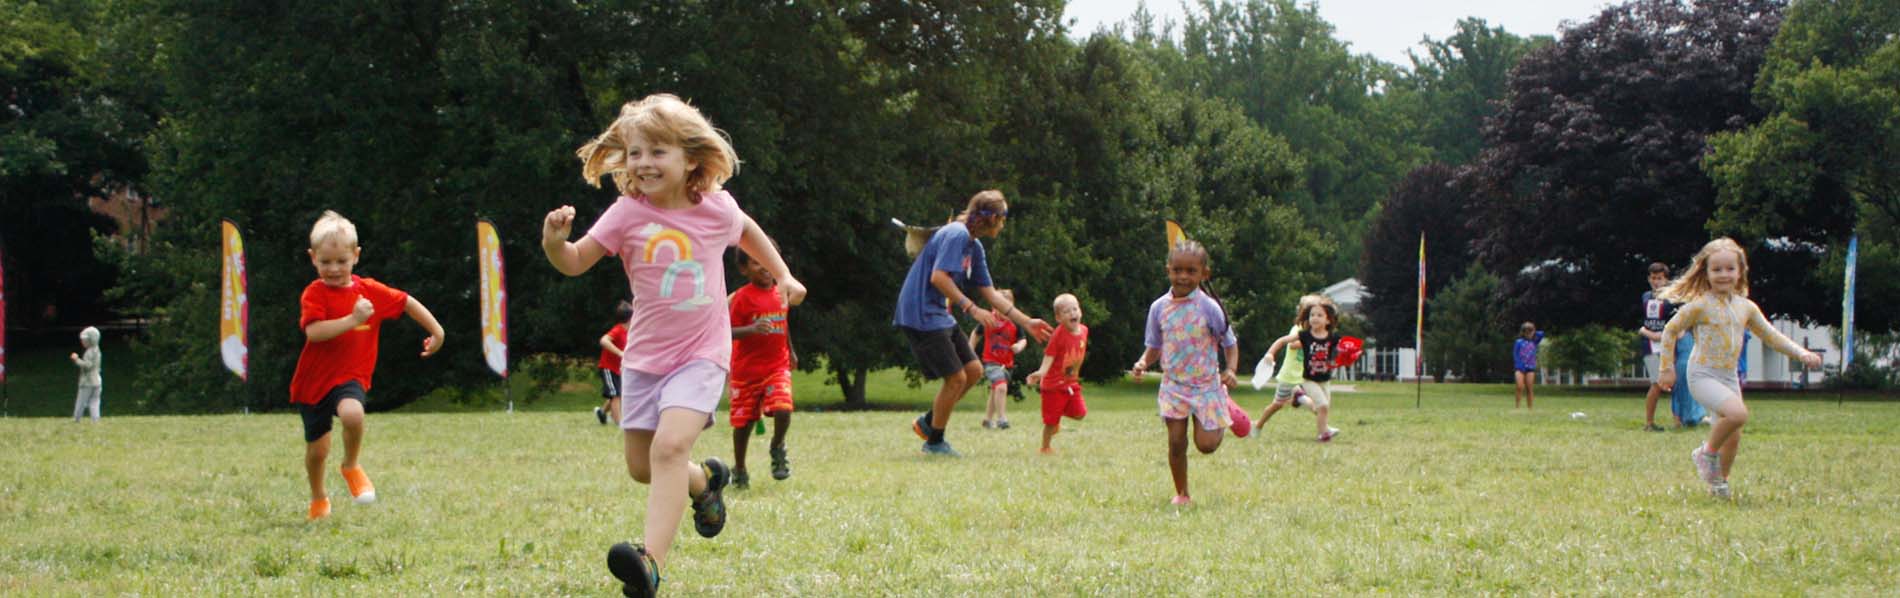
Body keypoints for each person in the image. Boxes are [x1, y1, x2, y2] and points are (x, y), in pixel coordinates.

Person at [543, 93, 805, 597]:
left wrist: (784, 274)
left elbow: (747, 231)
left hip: (702, 354)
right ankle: (705, 483)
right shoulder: (625, 214)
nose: (643, 162)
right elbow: (574, 261)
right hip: (644, 360)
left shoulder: (714, 208)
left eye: (657, 152)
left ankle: (650, 564)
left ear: (690, 158)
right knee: (644, 468)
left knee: (668, 447)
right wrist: (555, 242)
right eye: (636, 152)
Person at [289, 210, 446, 521]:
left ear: (356, 256)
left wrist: (437, 331)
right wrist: (353, 320)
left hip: (351, 376)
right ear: (313, 258)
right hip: (313, 382)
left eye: (341, 261)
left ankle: (350, 465)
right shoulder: (314, 294)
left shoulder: (369, 291)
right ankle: (319, 496)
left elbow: (406, 302)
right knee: (317, 451)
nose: (333, 269)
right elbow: (314, 332)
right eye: (325, 262)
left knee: (352, 413)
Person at [1658, 238, 1822, 500]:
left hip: (1728, 376)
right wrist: (1666, 368)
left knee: (1734, 436)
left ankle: (1719, 484)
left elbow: (1771, 336)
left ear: (1740, 271)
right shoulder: (1700, 306)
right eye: (1717, 270)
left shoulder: (1746, 307)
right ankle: (1706, 453)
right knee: (1737, 414)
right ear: (1706, 273)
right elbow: (1670, 330)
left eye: (1729, 269)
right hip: (1702, 374)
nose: (1724, 275)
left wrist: (1801, 353)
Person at [894, 190, 1054, 457]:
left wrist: (1026, 322)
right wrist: (971, 308)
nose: (1003, 225)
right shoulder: (956, 234)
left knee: (974, 370)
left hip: (937, 314)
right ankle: (934, 441)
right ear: (990, 217)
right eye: (1002, 219)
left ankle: (928, 422)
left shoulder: (973, 246)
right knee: (956, 378)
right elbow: (938, 278)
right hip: (919, 312)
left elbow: (990, 292)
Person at [1131, 241, 1245, 506]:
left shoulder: (1209, 308)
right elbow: (1154, 346)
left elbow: (1229, 342)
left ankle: (1224, 403)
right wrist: (1142, 362)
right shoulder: (1159, 308)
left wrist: (1231, 369)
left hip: (1206, 386)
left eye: (1191, 271)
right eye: (1177, 270)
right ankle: (1182, 493)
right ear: (1168, 270)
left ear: (1204, 274)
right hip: (1173, 386)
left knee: (1205, 445)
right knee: (1176, 442)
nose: (1183, 276)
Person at [728, 246, 799, 489]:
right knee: (743, 423)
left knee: (783, 407)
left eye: (769, 261)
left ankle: (777, 446)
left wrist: (791, 350)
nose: (765, 268)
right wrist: (751, 329)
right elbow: (724, 331)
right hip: (745, 371)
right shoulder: (741, 298)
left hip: (776, 366)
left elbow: (784, 322)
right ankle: (739, 468)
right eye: (757, 263)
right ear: (744, 269)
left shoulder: (782, 291)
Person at [1261, 296, 1346, 443]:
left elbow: (1340, 350)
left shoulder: (1331, 337)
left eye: (1319, 315)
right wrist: (1270, 354)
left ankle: (1320, 424)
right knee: (1319, 405)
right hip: (1303, 378)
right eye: (1312, 314)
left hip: (1324, 379)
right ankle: (1322, 434)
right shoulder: (1304, 334)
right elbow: (1286, 342)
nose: (1315, 318)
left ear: (1328, 320)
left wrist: (1347, 353)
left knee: (1323, 407)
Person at [1252, 295, 1325, 432]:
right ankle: (1258, 425)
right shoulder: (1297, 329)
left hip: (1303, 376)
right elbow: (1291, 345)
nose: (1316, 317)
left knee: (1317, 403)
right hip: (1289, 376)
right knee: (1277, 404)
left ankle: (1323, 426)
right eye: (1313, 314)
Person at [1027, 294, 1088, 454]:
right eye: (1067, 311)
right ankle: (1045, 447)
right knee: (1050, 421)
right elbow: (1049, 356)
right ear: (1058, 318)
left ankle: (1058, 414)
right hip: (1053, 385)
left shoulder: (1084, 331)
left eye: (1075, 309)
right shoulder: (1058, 335)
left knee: (1080, 413)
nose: (1072, 313)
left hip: (1070, 383)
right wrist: (1041, 372)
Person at [970, 289, 1026, 430]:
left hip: (1007, 364)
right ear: (994, 307)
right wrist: (970, 349)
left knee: (996, 390)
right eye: (1000, 307)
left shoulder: (1015, 322)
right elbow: (976, 334)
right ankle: (1002, 419)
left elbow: (1023, 339)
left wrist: (1019, 346)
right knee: (1001, 386)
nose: (1005, 312)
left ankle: (988, 420)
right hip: (991, 362)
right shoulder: (989, 319)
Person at [1639, 262, 1675, 431]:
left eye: (1659, 278)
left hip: (1666, 345)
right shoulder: (1645, 296)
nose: (1656, 281)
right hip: (1648, 346)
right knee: (1656, 383)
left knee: (1673, 381)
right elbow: (1642, 324)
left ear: (1666, 280)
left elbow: (1676, 321)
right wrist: (1648, 333)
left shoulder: (1672, 298)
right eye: (1653, 278)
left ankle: (1679, 419)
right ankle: (1649, 422)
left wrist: (1664, 335)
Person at [597, 300, 633, 425]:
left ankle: (602, 412)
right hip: (608, 368)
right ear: (630, 317)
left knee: (619, 393)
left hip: (618, 369)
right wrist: (619, 353)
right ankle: (619, 423)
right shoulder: (618, 330)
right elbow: (604, 340)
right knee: (615, 395)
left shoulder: (629, 332)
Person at [69, 326, 103, 423]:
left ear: (90, 340)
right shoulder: (97, 350)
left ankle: (77, 418)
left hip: (87, 382)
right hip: (97, 381)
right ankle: (95, 419)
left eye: (84, 340)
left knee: (81, 401)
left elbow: (87, 366)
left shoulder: (89, 352)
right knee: (95, 401)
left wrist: (76, 360)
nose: (82, 342)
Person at [1512, 322, 1546, 409]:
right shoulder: (1518, 342)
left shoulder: (1534, 342)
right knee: (1519, 387)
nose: (1529, 334)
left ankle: (1530, 408)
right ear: (1523, 332)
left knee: (1529, 388)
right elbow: (1515, 354)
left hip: (1530, 367)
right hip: (1520, 368)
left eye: (1530, 332)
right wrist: (1518, 365)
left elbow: (1542, 333)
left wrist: (1533, 330)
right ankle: (1517, 407)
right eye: (1527, 332)